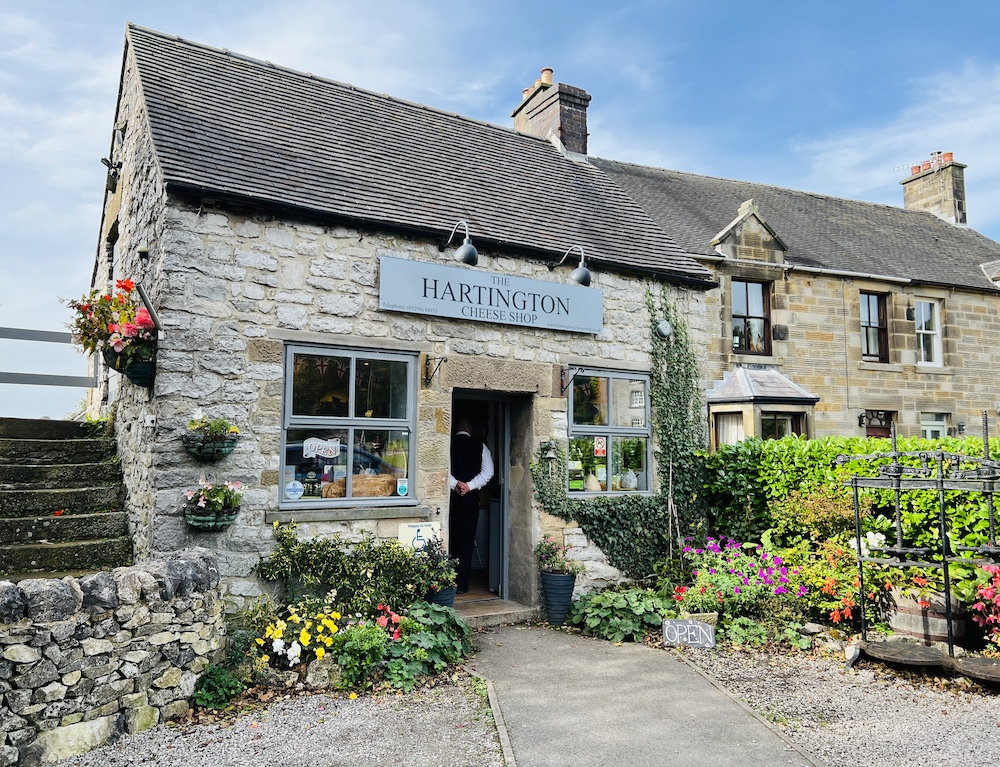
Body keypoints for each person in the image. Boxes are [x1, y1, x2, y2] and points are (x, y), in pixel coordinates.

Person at [449, 415, 494, 594]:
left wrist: (455, 484)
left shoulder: (449, 444)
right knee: (467, 541)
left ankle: (447, 581)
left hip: (451, 498)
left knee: (450, 538)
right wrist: (469, 486)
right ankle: (462, 583)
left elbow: (441, 468)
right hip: (470, 499)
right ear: (470, 430)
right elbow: (488, 473)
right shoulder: (480, 446)